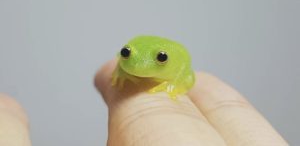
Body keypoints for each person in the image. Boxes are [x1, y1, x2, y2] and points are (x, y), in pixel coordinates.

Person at [0, 60, 288, 146]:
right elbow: (126, 64)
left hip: (177, 72)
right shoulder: (129, 61)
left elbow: (187, 76)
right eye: (127, 54)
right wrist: (123, 72)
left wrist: (173, 85)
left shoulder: (174, 63)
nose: (140, 64)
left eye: (159, 59)